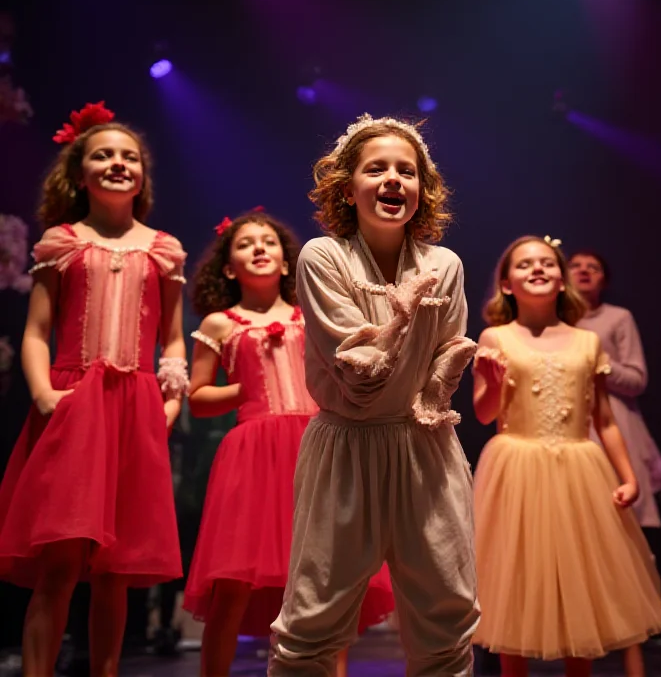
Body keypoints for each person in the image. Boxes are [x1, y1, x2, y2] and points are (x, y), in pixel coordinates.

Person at [269, 114, 480, 676]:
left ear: (422, 188)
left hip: (424, 446)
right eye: (377, 168)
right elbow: (359, 377)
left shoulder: (445, 265)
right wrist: (404, 318)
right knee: (314, 617)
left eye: (406, 171)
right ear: (347, 186)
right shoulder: (322, 257)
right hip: (348, 445)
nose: (393, 179)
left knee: (448, 611)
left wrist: (437, 376)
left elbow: (445, 360)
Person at [0, 102, 187, 676]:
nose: (117, 164)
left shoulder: (162, 249)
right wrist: (43, 394)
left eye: (128, 157)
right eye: (102, 155)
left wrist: (170, 403)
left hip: (135, 411)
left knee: (116, 569)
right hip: (72, 406)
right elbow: (35, 332)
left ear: (143, 176)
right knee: (60, 563)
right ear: (80, 173)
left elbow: (174, 341)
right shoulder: (62, 242)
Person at [183, 209, 393, 677]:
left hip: (315, 445)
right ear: (227, 266)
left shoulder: (310, 313)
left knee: (328, 576)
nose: (258, 248)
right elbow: (197, 398)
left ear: (284, 262)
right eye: (245, 243)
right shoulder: (221, 323)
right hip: (253, 455)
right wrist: (246, 389)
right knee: (233, 581)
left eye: (268, 242)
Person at [472, 235, 661, 677]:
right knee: (515, 583)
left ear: (562, 279)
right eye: (525, 265)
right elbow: (486, 414)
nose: (538, 269)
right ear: (506, 284)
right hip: (517, 468)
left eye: (547, 262)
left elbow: (604, 419)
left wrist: (628, 476)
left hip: (578, 470)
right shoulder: (495, 336)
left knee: (578, 588)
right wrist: (491, 379)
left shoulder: (587, 341)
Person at [569, 251, 661, 530]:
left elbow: (637, 380)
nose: (584, 270)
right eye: (576, 265)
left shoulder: (617, 317)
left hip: (612, 420)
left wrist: (595, 360)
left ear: (604, 280)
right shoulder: (553, 322)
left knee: (619, 514)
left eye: (594, 267)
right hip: (566, 420)